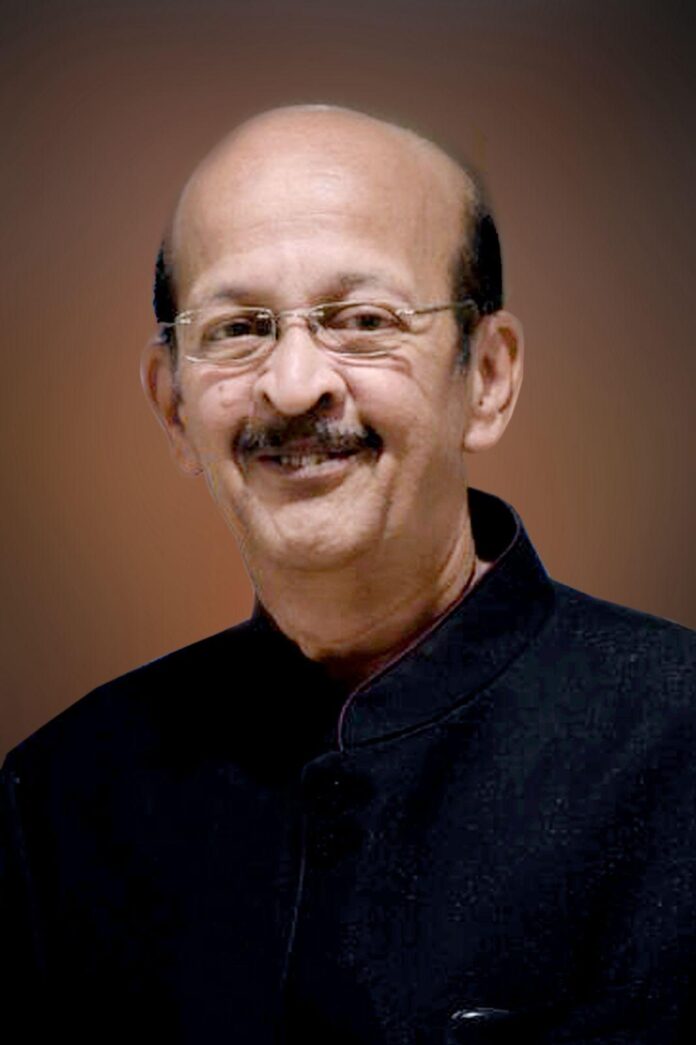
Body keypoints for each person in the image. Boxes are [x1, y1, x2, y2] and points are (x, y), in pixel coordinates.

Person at [1, 104, 694, 1044]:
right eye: (239, 328)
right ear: (173, 408)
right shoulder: (59, 798)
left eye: (364, 320)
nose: (294, 384)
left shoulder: (676, 742)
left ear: (488, 377)